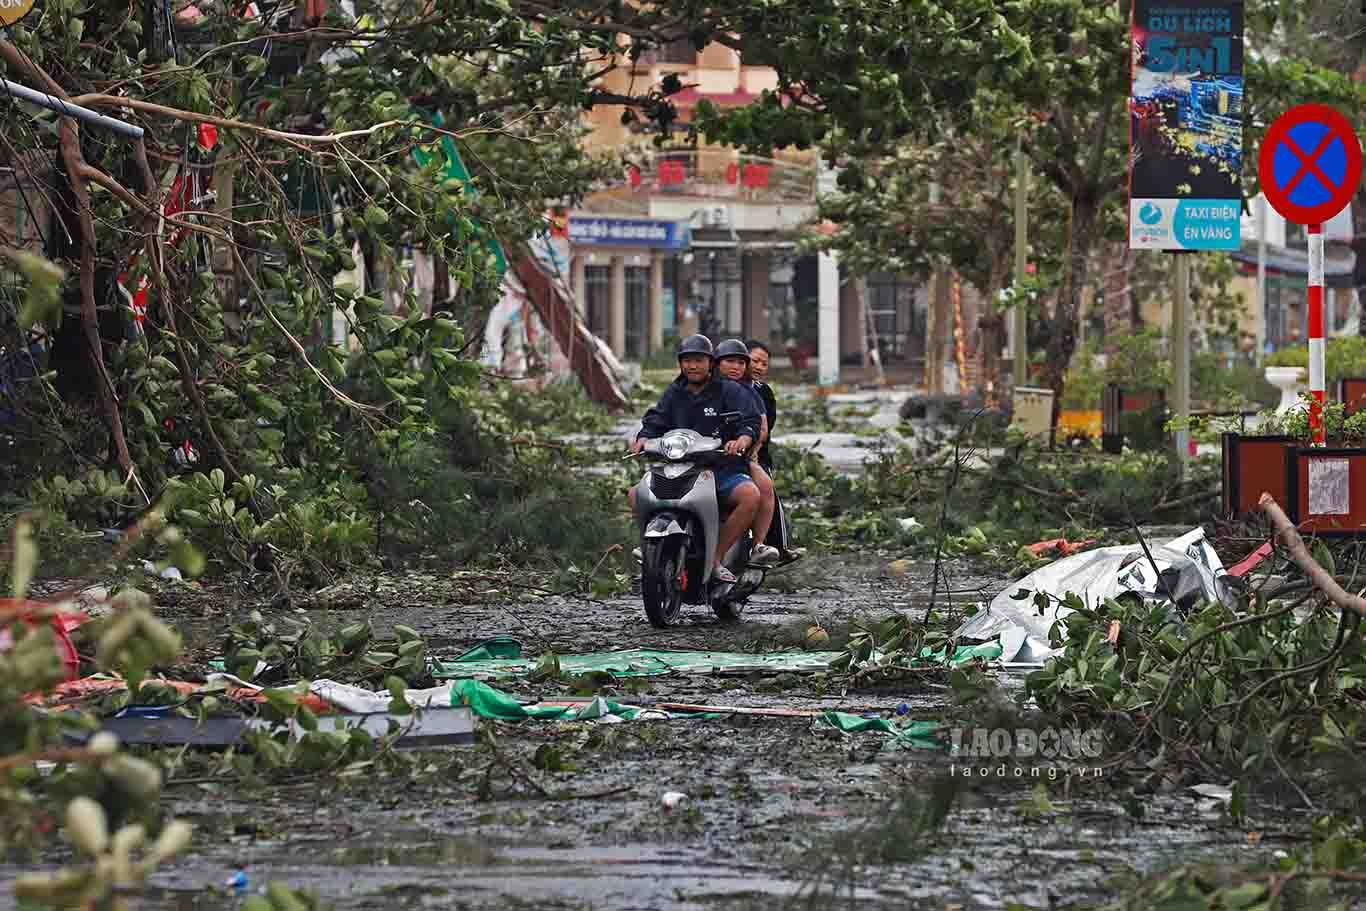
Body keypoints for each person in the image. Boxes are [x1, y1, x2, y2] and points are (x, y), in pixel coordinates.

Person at [629, 334, 763, 584]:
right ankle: (649, 549)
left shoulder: (729, 390)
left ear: (710, 363)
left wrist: (742, 439)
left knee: (750, 496)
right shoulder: (674, 392)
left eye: (699, 360)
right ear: (681, 364)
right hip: (680, 467)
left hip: (722, 467)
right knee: (636, 494)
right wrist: (642, 437)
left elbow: (750, 421)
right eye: (687, 361)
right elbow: (655, 420)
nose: (692, 366)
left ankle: (716, 558)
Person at [713, 340, 780, 566]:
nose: (735, 367)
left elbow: (760, 426)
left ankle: (758, 546)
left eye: (740, 362)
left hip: (735, 458)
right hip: (696, 456)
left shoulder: (751, 392)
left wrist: (747, 444)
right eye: (729, 361)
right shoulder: (691, 388)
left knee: (764, 487)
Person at [747, 339, 804, 563]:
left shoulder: (763, 393)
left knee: (768, 492)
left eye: (764, 363)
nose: (760, 367)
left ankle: (779, 546)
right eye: (755, 361)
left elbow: (765, 429)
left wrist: (753, 445)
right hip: (717, 452)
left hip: (754, 454)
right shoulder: (717, 388)